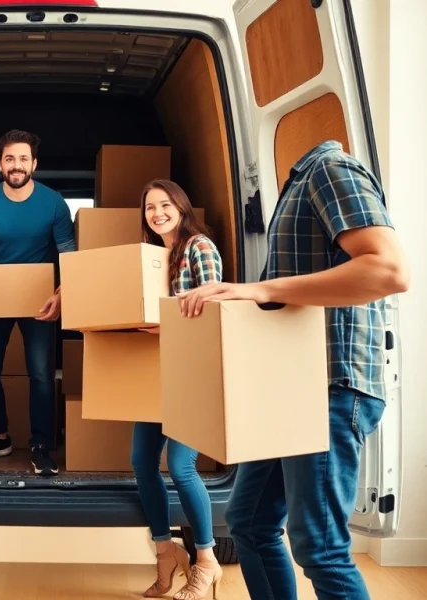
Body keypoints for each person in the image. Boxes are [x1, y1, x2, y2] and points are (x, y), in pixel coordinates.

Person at [180, 141, 409, 600]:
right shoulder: (297, 183)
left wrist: (261, 290)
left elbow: (388, 270)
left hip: (329, 386)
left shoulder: (330, 168)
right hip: (292, 390)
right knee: (248, 523)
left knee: (321, 547)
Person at [0, 129, 76, 476]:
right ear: (0, 164)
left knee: (40, 374)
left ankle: (41, 445)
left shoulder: (53, 203)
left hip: (39, 300)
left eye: (23, 158)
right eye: (10, 158)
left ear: (34, 163)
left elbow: (68, 252)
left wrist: (61, 294)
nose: (17, 165)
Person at [131, 180, 223, 600]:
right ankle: (165, 554)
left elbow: (213, 310)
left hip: (191, 371)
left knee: (181, 465)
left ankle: (206, 561)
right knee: (141, 463)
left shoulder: (198, 247)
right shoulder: (154, 257)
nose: (157, 213)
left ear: (181, 207)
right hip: (155, 371)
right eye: (150, 208)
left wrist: (162, 324)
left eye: (164, 205)